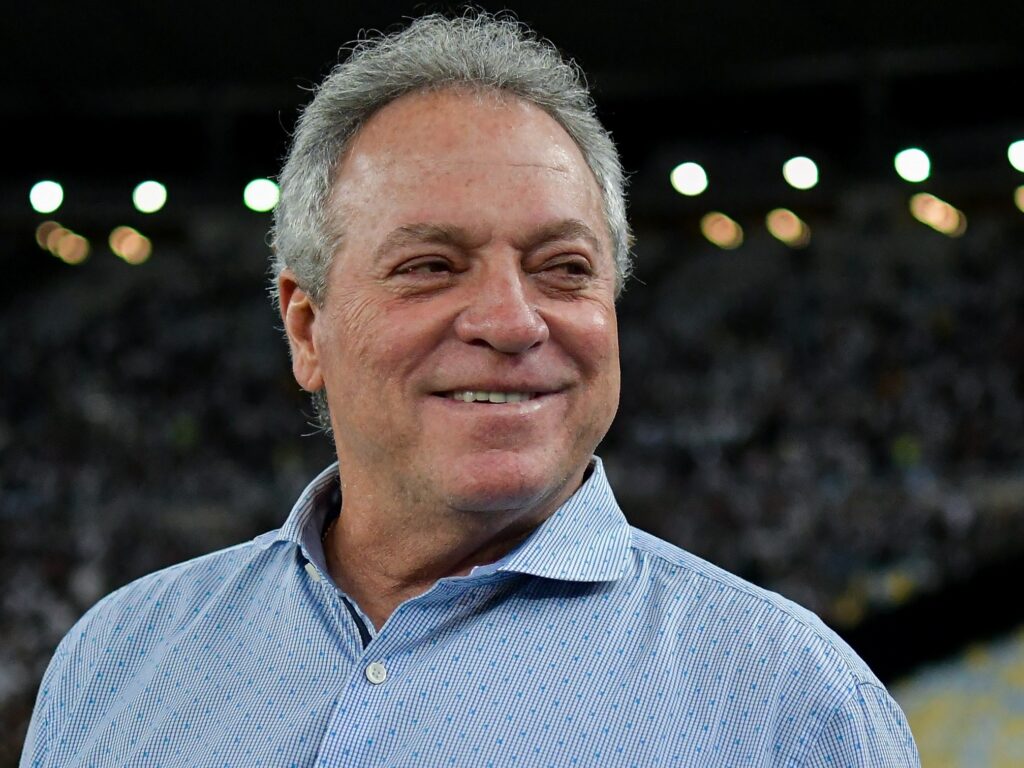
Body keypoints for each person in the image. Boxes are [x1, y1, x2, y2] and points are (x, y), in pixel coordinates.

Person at [21, 13, 919, 767]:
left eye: (563, 266)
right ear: (306, 327)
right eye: (430, 265)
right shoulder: (117, 661)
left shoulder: (793, 707)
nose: (511, 321)